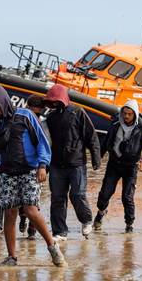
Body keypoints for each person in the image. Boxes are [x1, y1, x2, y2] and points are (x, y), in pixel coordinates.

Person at [0, 84, 66, 267]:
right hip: (7, 173)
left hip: (30, 170)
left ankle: (53, 248)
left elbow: (42, 142)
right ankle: (12, 257)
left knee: (30, 210)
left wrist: (42, 165)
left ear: (3, 102)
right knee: (10, 213)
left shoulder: (25, 116)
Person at [44, 84, 101, 241]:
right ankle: (59, 232)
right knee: (57, 198)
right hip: (56, 164)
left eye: (56, 100)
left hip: (76, 163)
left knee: (77, 194)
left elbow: (91, 137)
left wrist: (96, 159)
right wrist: (44, 165)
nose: (54, 104)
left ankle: (86, 220)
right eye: (51, 101)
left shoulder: (78, 112)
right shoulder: (50, 118)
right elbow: (46, 142)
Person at [93, 99, 142, 233]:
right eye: (124, 113)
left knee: (127, 197)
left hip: (131, 166)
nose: (126, 116)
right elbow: (106, 141)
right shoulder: (115, 123)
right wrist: (97, 159)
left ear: (135, 115)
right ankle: (101, 212)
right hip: (114, 164)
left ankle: (129, 225)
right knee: (105, 194)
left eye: (129, 114)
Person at [18, 94, 49, 240]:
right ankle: (23, 218)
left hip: (38, 166)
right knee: (21, 201)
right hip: (22, 166)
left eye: (37, 113)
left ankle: (32, 229)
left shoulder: (42, 123)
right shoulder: (22, 120)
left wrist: (43, 166)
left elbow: (46, 144)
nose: (34, 115)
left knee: (34, 200)